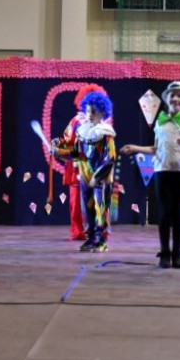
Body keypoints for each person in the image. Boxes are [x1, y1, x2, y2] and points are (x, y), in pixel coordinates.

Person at [121, 81, 180, 269]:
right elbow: (155, 148)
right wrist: (135, 148)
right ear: (167, 99)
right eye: (173, 95)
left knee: (178, 213)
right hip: (161, 172)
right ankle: (164, 253)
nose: (176, 98)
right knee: (164, 213)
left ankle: (177, 253)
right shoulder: (160, 121)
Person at [51, 84, 107, 243]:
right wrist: (59, 143)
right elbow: (67, 140)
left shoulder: (103, 124)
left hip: (95, 167)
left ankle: (98, 230)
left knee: (97, 200)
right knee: (75, 202)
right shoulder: (76, 121)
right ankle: (77, 231)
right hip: (77, 168)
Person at [72, 90, 117, 253]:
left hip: (101, 180)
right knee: (87, 209)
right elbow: (76, 153)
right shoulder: (82, 132)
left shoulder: (105, 134)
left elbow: (110, 158)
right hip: (85, 177)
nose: (90, 115)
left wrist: (98, 177)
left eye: (94, 112)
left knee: (101, 208)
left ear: (102, 113)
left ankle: (101, 239)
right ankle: (91, 238)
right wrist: (59, 151)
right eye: (88, 111)